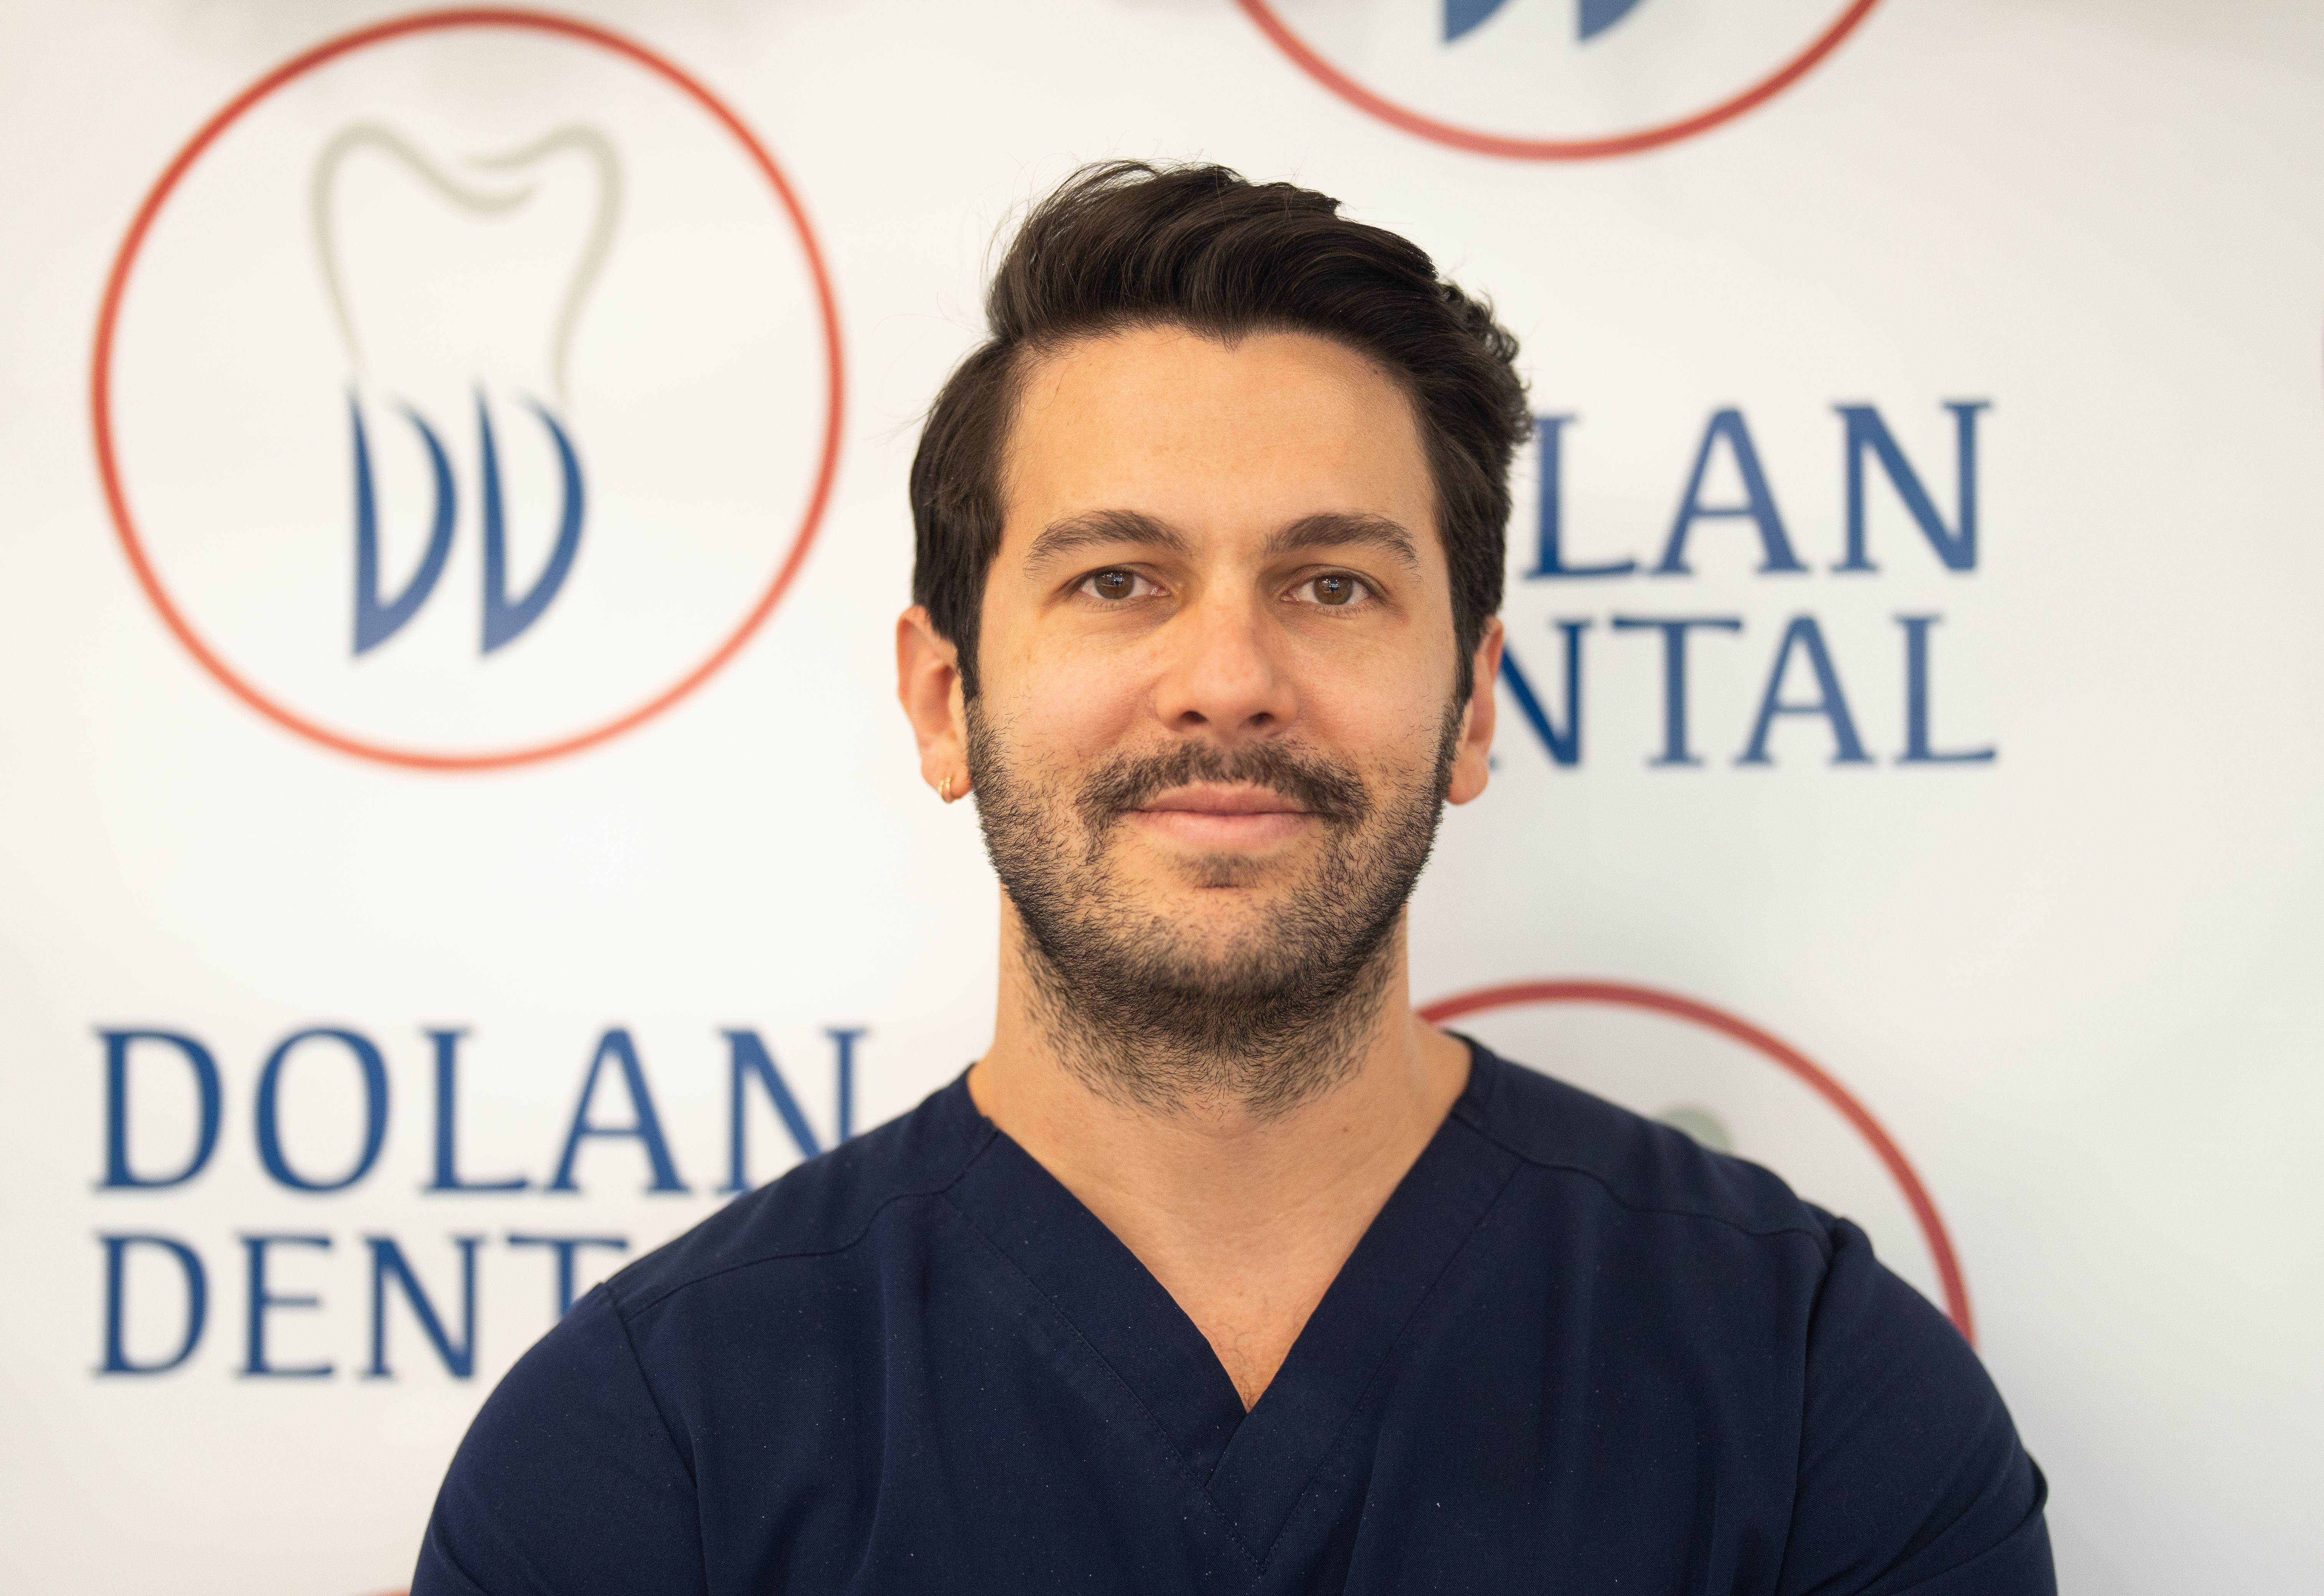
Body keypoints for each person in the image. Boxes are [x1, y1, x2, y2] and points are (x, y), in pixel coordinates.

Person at [412, 162, 2053, 1595]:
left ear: (1473, 705)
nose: (1227, 681)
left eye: (1331, 584)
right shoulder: (650, 1439)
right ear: (943, 698)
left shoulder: (1809, 1386)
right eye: (1117, 579)